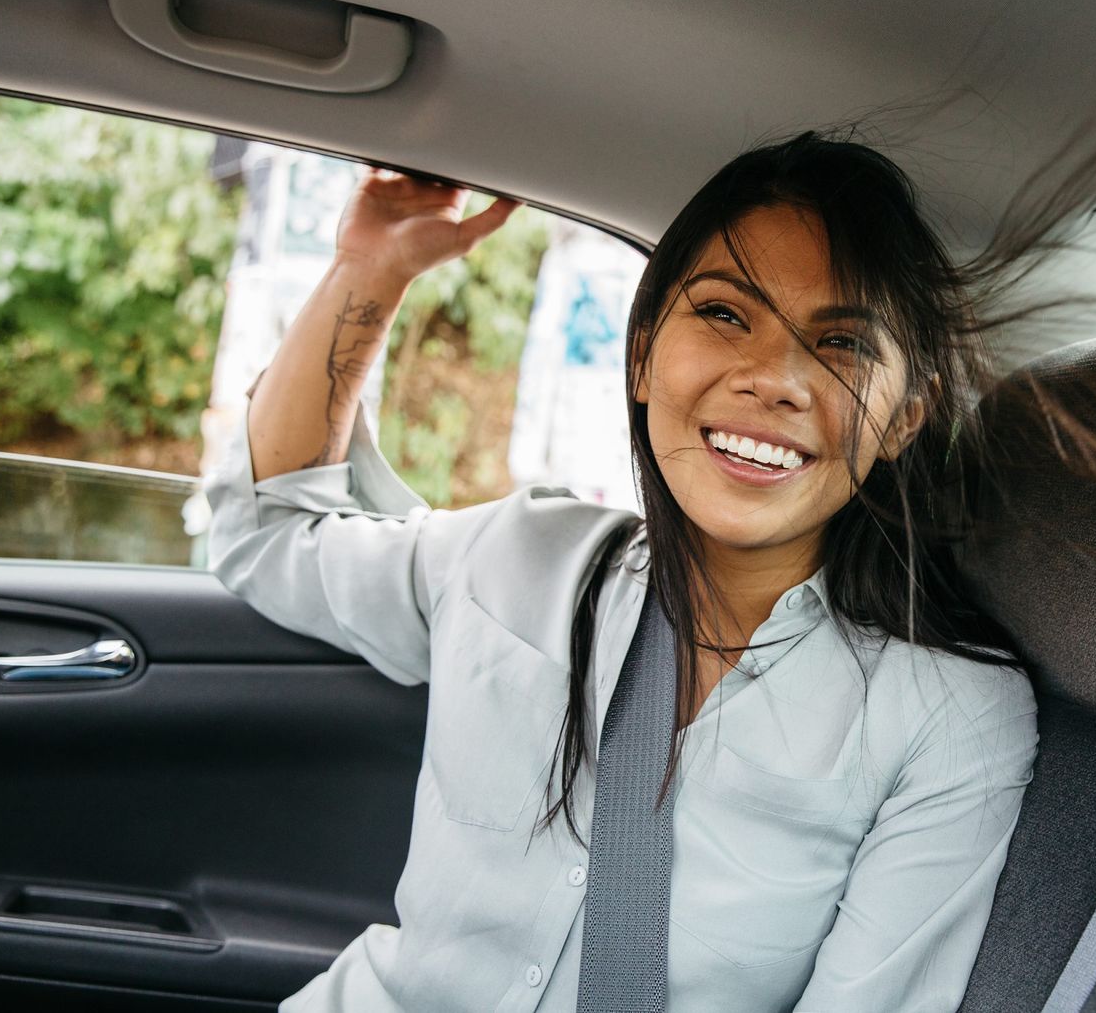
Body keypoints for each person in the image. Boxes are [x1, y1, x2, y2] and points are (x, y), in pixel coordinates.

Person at [207, 134, 1040, 1012]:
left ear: (905, 419)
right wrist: (369, 270)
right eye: (725, 313)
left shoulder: (946, 721)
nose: (775, 379)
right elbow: (269, 532)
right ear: (642, 349)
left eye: (842, 344)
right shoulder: (521, 555)